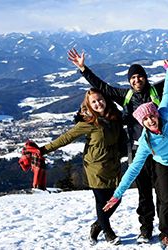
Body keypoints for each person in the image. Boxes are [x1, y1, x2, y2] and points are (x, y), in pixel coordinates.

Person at [67, 32, 168, 244]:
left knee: (163, 194)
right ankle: (146, 230)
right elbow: (102, 88)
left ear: (145, 78)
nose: (137, 80)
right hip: (140, 149)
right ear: (130, 81)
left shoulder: (157, 94)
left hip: (161, 151)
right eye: (133, 78)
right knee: (144, 193)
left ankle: (166, 230)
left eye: (140, 76)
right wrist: (83, 69)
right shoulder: (125, 96)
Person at [103, 60, 168, 250]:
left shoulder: (165, 113)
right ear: (142, 123)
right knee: (166, 199)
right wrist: (117, 195)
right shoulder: (145, 143)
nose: (151, 120)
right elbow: (133, 169)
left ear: (155, 112)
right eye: (145, 119)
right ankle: (165, 235)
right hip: (165, 162)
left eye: (151, 115)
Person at [38, 88, 127, 245]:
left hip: (113, 166)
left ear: (105, 100)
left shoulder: (115, 118)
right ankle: (108, 233)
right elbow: (65, 138)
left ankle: (97, 225)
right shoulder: (87, 123)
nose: (98, 103)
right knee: (102, 202)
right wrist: (42, 150)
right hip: (95, 168)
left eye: (100, 99)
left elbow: (123, 138)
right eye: (94, 102)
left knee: (116, 199)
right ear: (89, 105)